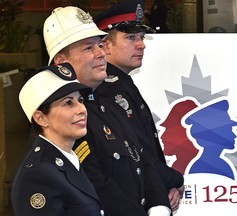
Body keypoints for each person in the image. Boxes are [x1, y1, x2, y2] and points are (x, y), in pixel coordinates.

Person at [43, 6, 171, 216]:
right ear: (61, 62)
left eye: (99, 45)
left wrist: (159, 205)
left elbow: (142, 159)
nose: (101, 53)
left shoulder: (108, 104)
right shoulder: (59, 118)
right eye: (88, 48)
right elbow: (96, 187)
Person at [93, 0, 184, 212]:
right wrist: (172, 181)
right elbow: (139, 152)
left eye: (141, 37)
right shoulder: (109, 90)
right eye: (131, 38)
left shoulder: (121, 82)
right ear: (105, 45)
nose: (141, 44)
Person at [11, 63, 106, 216]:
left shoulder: (66, 159)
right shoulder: (37, 176)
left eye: (80, 100)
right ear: (41, 118)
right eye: (68, 103)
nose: (82, 109)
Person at [184, 99, 237, 180]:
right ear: (215, 135)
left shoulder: (219, 164)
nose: (235, 135)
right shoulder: (206, 166)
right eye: (229, 130)